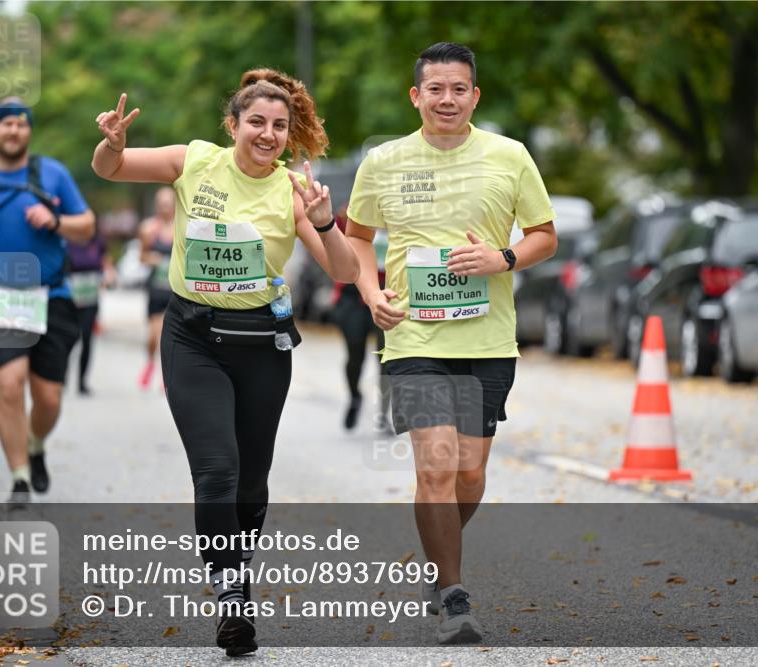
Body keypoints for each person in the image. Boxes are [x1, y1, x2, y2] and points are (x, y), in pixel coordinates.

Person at [91, 70, 359, 656]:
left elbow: (344, 272)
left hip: (263, 347)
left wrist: (322, 223)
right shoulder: (195, 162)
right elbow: (109, 170)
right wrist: (111, 144)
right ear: (233, 125)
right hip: (193, 340)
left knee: (252, 482)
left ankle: (234, 572)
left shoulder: (294, 191)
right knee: (217, 469)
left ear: (290, 136)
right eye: (256, 122)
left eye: (279, 126)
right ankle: (232, 595)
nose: (267, 134)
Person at [345, 42, 557, 644]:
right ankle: (455, 596)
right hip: (413, 333)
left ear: (474, 96)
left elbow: (544, 235)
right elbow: (357, 237)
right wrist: (370, 290)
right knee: (435, 465)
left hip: (488, 338)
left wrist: (504, 256)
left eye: (458, 88)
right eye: (435, 88)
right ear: (416, 96)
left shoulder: (509, 156)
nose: (446, 99)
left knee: (469, 473)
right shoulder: (383, 161)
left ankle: (439, 560)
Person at [0, 98, 96, 502]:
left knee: (48, 397)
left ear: (29, 131)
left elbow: (86, 226)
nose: (14, 130)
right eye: (6, 124)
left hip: (53, 294)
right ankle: (18, 477)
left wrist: (56, 221)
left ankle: (35, 446)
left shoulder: (53, 173)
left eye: (21, 124)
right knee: (10, 385)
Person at [330, 206, 390, 431]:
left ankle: (384, 413)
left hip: (388, 292)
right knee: (355, 354)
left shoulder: (401, 216)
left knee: (386, 357)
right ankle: (355, 396)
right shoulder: (350, 215)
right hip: (352, 295)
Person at [66, 231, 116, 396]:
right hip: (69, 297)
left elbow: (106, 263)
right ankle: (60, 377)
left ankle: (82, 381)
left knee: (86, 337)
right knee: (69, 338)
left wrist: (109, 276)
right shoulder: (68, 241)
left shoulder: (97, 243)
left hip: (90, 298)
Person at [137, 186, 175, 390]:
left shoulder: (183, 227)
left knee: (169, 336)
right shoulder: (148, 228)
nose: (165, 208)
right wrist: (155, 259)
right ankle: (150, 363)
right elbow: (141, 257)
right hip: (156, 288)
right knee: (153, 335)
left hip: (175, 289)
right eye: (161, 204)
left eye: (168, 204)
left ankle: (166, 374)